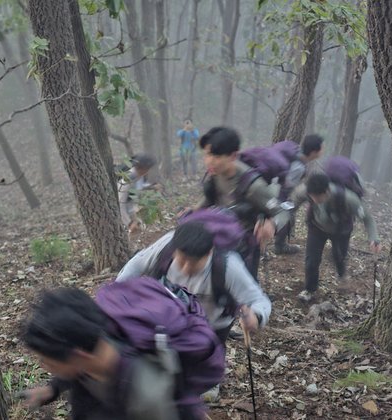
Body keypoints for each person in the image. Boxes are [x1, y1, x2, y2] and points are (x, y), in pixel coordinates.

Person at [17, 286, 224, 420]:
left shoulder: (146, 395)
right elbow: (72, 373)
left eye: (46, 359)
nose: (43, 364)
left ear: (79, 356)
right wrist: (52, 389)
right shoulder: (94, 342)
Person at [116, 222, 271, 344]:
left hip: (213, 325)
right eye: (182, 260)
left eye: (195, 262)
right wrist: (117, 293)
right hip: (171, 317)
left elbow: (258, 299)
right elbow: (137, 263)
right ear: (175, 250)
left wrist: (255, 316)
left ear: (209, 252)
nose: (186, 268)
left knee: (206, 366)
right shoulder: (166, 246)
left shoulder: (228, 266)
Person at [195, 126, 291, 278]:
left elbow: (282, 211)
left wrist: (272, 224)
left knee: (243, 286)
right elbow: (212, 195)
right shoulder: (216, 172)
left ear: (233, 156)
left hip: (244, 246)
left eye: (216, 156)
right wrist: (195, 211)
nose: (209, 161)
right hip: (220, 236)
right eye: (207, 155)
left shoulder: (252, 185)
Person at [291, 173, 381, 303]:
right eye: (312, 197)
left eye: (318, 197)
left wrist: (374, 238)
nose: (315, 200)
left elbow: (368, 219)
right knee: (311, 260)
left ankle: (341, 273)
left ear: (327, 191)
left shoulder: (348, 198)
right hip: (317, 227)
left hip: (341, 231)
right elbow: (291, 206)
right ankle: (310, 289)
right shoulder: (305, 191)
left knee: (339, 256)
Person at [273, 134, 324, 255]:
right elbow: (284, 186)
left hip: (272, 187)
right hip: (273, 191)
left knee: (289, 211)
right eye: (321, 148)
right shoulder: (299, 167)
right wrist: (282, 204)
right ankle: (279, 246)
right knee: (287, 213)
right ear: (313, 152)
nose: (323, 151)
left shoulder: (297, 153)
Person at [117, 154, 157, 233]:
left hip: (129, 206)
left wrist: (134, 218)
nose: (147, 172)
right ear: (141, 167)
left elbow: (135, 192)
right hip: (121, 209)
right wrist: (129, 223)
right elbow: (120, 202)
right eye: (146, 169)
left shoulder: (138, 175)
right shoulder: (128, 178)